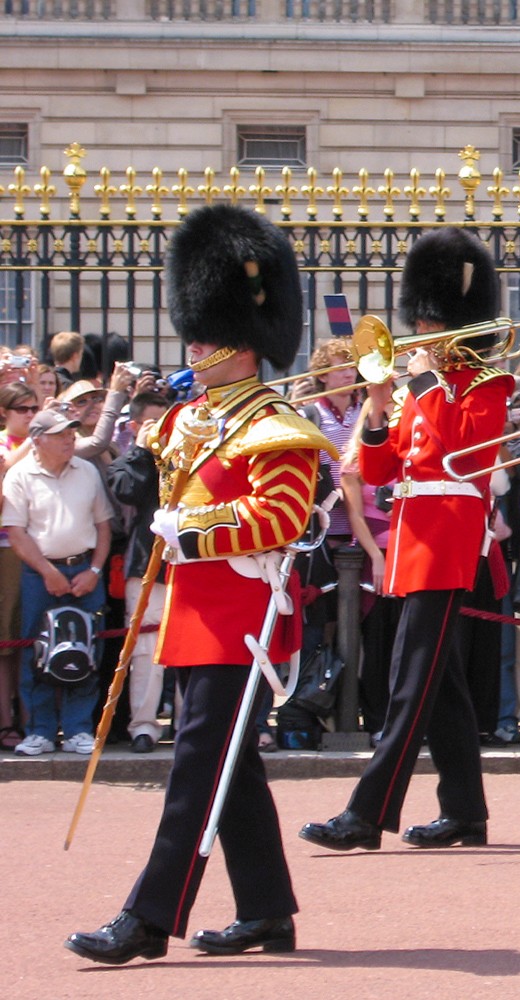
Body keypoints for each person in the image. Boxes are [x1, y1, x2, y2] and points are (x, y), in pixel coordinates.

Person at [65, 203, 332, 964]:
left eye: (207, 334)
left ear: (244, 345)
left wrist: (192, 526)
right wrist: (143, 467)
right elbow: (137, 486)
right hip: (195, 612)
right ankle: (268, 912)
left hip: (241, 618)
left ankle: (150, 917)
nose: (194, 344)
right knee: (229, 767)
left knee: (195, 771)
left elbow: (280, 515)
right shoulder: (189, 420)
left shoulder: (276, 424)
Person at [300, 228, 512, 852]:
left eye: (429, 322)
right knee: (437, 683)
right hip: (410, 537)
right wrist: (376, 400)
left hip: (447, 539)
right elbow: (387, 468)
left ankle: (367, 814)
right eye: (417, 321)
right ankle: (465, 812)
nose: (419, 333)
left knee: (409, 681)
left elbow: (464, 457)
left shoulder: (486, 386)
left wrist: (420, 387)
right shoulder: (420, 389)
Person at [3, 407, 112, 756]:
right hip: (39, 574)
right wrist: (47, 571)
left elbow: (103, 526)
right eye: (62, 434)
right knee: (37, 652)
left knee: (87, 649)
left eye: (71, 433)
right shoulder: (19, 475)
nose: (70, 439)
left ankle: (79, 728)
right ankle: (40, 730)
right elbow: (16, 533)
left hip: (84, 569)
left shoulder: (87, 472)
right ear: (38, 439)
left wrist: (94, 570)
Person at [105, 391, 178, 754]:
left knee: (189, 647)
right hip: (145, 562)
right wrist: (142, 448)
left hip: (188, 561)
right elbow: (127, 489)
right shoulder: (131, 460)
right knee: (146, 647)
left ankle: (187, 722)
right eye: (154, 423)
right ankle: (144, 726)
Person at [0, 381, 41, 750]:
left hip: (42, 548)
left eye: (34, 409)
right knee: (6, 643)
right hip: (6, 549)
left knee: (30, 639)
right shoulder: (5, 444)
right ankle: (6, 720)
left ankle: (35, 720)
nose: (30, 416)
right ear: (5, 412)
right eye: (22, 410)